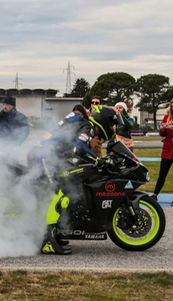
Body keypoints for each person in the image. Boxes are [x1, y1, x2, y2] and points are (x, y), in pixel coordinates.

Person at [41, 106, 120, 255]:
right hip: (44, 156)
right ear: (102, 120)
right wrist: (98, 161)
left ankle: (58, 232)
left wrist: (96, 160)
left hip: (49, 155)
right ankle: (48, 242)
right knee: (59, 192)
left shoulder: (83, 124)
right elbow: (80, 149)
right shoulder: (88, 127)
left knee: (71, 184)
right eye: (110, 125)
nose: (111, 128)